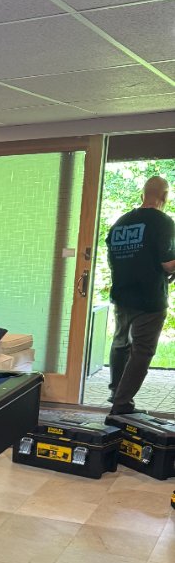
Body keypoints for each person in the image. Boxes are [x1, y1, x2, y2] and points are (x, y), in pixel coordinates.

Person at [106, 175, 175, 415]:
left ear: (142, 194)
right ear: (164, 196)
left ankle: (116, 393)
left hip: (122, 295)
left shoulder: (121, 222)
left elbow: (114, 260)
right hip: (149, 299)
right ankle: (122, 404)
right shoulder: (163, 222)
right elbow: (168, 264)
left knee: (120, 344)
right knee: (142, 351)